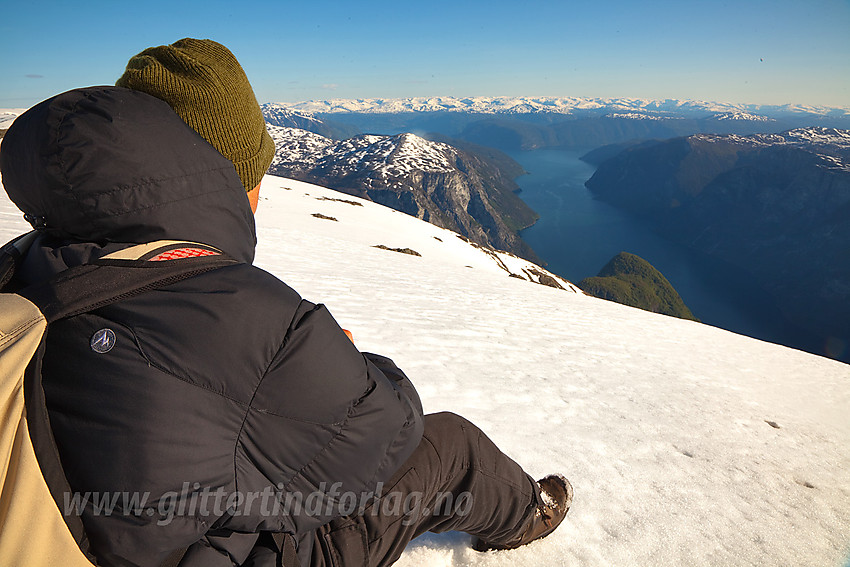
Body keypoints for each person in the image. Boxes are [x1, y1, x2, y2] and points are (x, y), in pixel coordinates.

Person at [0, 40, 571, 567]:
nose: (260, 198)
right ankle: (529, 513)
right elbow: (385, 429)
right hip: (220, 552)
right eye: (256, 177)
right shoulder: (239, 314)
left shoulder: (22, 262)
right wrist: (355, 364)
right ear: (223, 175)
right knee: (450, 448)